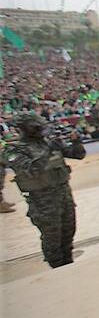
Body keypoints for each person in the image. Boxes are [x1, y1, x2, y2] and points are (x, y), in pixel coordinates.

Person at [2, 112, 85, 267]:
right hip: (43, 201)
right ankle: (56, 268)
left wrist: (76, 142)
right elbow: (31, 169)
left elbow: (78, 155)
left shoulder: (47, 143)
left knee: (68, 234)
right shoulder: (13, 150)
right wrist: (48, 151)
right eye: (36, 127)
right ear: (24, 129)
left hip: (64, 195)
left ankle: (68, 265)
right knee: (52, 239)